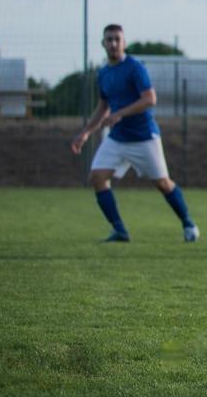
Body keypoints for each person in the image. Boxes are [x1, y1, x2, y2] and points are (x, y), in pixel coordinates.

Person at [70, 24, 199, 243]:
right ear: (103, 44)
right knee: (97, 177)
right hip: (118, 138)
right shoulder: (103, 73)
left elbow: (150, 99)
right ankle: (120, 230)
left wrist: (119, 114)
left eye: (117, 39)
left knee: (163, 184)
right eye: (109, 39)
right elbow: (103, 106)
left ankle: (188, 224)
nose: (113, 43)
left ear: (124, 43)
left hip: (143, 137)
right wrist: (86, 133)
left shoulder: (134, 67)